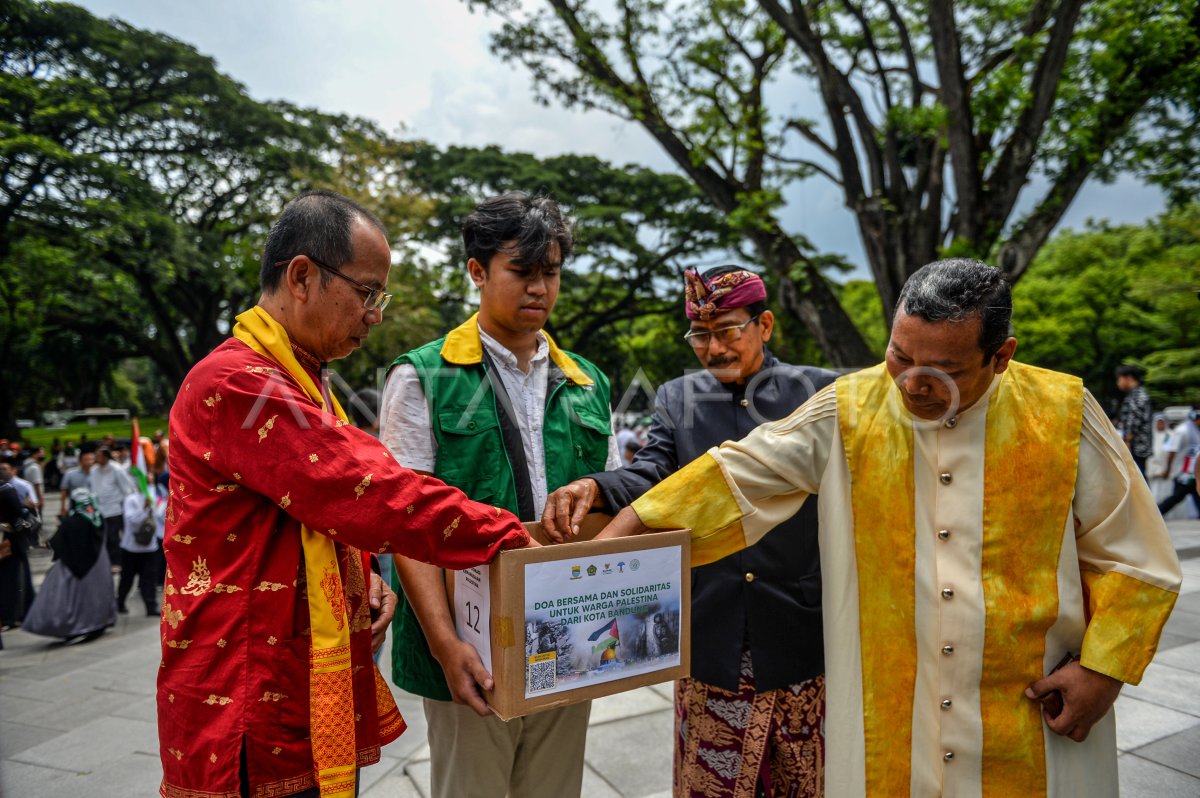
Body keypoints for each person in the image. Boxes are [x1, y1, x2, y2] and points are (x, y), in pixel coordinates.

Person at [596, 259, 1182, 798]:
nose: (910, 383)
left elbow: (1138, 556)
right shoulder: (849, 406)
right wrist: (604, 551)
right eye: (899, 356)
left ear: (1001, 356)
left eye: (942, 369)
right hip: (893, 713)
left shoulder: (1064, 413)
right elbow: (736, 476)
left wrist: (1103, 670)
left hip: (1031, 711)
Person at [159, 189, 533, 798]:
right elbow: (370, 491)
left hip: (291, 680)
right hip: (246, 692)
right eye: (367, 292)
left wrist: (366, 575)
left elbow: (313, 509)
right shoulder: (240, 382)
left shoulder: (303, 380)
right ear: (302, 276)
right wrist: (518, 537)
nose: (376, 313)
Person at [543, 265, 835, 797]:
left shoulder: (818, 394)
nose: (713, 347)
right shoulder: (678, 397)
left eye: (728, 330)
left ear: (764, 325)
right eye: (700, 334)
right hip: (711, 631)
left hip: (798, 628)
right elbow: (654, 470)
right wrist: (597, 485)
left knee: (804, 779)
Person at [380, 192, 619, 798]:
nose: (539, 287)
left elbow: (614, 506)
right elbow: (407, 523)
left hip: (567, 631)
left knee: (554, 788)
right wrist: (444, 643)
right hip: (470, 637)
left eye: (552, 272)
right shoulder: (422, 377)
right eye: (522, 270)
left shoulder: (588, 382)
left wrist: (608, 619)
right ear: (478, 271)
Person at [21, 487, 117, 642]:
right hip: (98, 565)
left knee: (69, 600)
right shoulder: (97, 519)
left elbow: (58, 544)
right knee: (97, 596)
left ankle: (76, 627)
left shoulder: (71, 522)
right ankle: (99, 623)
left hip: (73, 568)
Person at [118, 487, 163, 615]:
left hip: (150, 548)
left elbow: (160, 515)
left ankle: (151, 606)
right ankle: (120, 602)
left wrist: (153, 505)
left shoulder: (154, 495)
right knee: (127, 579)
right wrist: (144, 509)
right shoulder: (131, 499)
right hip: (131, 548)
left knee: (149, 579)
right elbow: (132, 520)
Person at [89, 446, 134, 569]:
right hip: (99, 509)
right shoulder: (94, 470)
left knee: (113, 537)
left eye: (99, 455)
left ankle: (116, 562)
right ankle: (105, 561)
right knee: (101, 537)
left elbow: (127, 488)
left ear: (105, 456)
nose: (96, 458)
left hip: (114, 508)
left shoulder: (116, 469)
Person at [1158, 409, 1200, 518]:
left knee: (1194, 493)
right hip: (1183, 471)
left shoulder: (1195, 430)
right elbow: (1172, 451)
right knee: (1178, 496)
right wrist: (1168, 469)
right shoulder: (1182, 430)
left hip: (1193, 471)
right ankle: (1158, 511)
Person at [1116, 364, 1153, 474]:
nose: (1118, 382)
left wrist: (1127, 441)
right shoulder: (1135, 394)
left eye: (1119, 378)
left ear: (1129, 378)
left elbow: (1134, 421)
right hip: (1136, 446)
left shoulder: (1138, 395)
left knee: (1138, 479)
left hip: (1137, 447)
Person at [59, 450, 96, 518]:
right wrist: (63, 507)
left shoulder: (98, 473)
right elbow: (64, 491)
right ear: (80, 461)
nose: (90, 462)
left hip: (94, 508)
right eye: (86, 460)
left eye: (91, 459)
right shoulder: (70, 474)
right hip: (75, 508)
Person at [22, 445, 46, 512]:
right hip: (35, 499)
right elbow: (37, 484)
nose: (43, 454)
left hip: (29, 497)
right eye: (41, 452)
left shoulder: (26, 464)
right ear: (35, 454)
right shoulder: (35, 467)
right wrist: (41, 499)